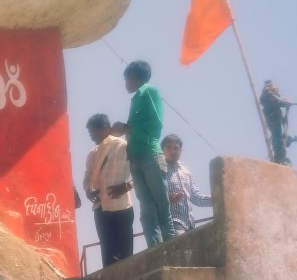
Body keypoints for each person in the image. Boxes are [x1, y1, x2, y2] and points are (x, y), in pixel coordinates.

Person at [112, 60, 176, 248]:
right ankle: (156, 251)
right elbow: (134, 128)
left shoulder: (149, 91)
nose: (125, 83)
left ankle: (172, 249)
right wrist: (124, 129)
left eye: (127, 78)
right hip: (136, 158)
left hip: (150, 155)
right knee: (147, 211)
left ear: (135, 76)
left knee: (161, 207)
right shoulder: (136, 98)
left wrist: (129, 129)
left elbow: (156, 125)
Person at [83, 114, 134, 267]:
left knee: (126, 255)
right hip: (101, 207)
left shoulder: (124, 146)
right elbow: (87, 178)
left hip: (122, 206)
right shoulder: (93, 153)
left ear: (104, 128)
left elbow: (139, 171)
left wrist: (127, 186)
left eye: (93, 131)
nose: (91, 136)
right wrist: (88, 191)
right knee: (108, 255)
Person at [161, 134, 212, 233]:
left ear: (181, 150)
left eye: (176, 148)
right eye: (168, 147)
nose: (172, 151)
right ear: (162, 150)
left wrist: (217, 199)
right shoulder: (160, 170)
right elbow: (153, 197)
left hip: (190, 224)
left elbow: (196, 197)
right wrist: (168, 200)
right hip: (172, 224)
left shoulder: (185, 171)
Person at [259, 80, 293, 165]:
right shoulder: (267, 101)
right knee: (278, 139)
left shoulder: (272, 101)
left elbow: (278, 102)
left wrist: (285, 103)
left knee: (280, 139)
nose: (275, 92)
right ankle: (279, 159)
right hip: (274, 123)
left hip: (276, 122)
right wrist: (285, 103)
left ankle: (280, 157)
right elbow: (275, 102)